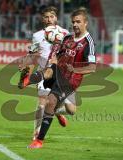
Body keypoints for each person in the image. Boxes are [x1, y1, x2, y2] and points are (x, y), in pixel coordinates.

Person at [27, 7, 97, 149]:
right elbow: (57, 55)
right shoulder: (67, 37)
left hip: (70, 80)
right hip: (57, 73)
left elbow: (92, 67)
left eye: (78, 22)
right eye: (73, 22)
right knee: (49, 100)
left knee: (71, 110)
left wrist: (74, 69)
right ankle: (39, 139)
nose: (75, 25)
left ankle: (54, 112)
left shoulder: (88, 42)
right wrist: (53, 61)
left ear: (85, 23)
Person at [18, 6, 69, 140]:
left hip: (59, 73)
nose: (49, 19)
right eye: (46, 17)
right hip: (42, 73)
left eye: (52, 16)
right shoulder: (37, 35)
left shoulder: (65, 33)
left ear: (56, 18)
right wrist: (26, 74)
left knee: (70, 109)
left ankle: (57, 111)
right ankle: (37, 133)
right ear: (42, 19)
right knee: (41, 103)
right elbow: (33, 55)